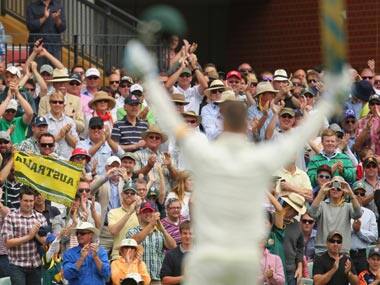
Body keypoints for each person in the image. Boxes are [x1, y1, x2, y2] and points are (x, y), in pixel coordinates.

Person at [127, 41, 348, 285]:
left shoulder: (205, 151)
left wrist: (147, 74)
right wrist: (331, 97)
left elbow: (169, 118)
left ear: (222, 122)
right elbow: (302, 133)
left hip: (209, 257)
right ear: (246, 126)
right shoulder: (259, 158)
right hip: (243, 259)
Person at [1, 186, 48, 285]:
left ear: (34, 200)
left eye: (31, 201)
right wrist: (29, 236)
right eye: (25, 200)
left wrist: (36, 235)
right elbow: (7, 243)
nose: (28, 204)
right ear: (20, 200)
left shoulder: (40, 217)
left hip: (35, 265)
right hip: (17, 266)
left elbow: (45, 241)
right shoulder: (11, 217)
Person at [308, 176, 362, 254]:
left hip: (342, 251)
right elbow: (311, 213)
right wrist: (321, 192)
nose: (335, 189)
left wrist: (351, 193)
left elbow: (358, 214)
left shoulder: (348, 206)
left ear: (343, 191)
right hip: (322, 251)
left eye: (339, 188)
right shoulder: (322, 205)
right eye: (333, 187)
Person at [127, 202, 176, 284]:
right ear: (140, 214)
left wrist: (163, 229)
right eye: (145, 211)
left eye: (150, 211)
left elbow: (173, 246)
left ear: (154, 213)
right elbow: (134, 242)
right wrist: (151, 224)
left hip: (157, 278)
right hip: (139, 278)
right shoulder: (132, 231)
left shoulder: (160, 232)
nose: (148, 214)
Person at [350, 181, 378, 274]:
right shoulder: (345, 210)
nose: (359, 196)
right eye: (356, 193)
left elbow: (374, 236)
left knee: (363, 281)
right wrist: (352, 229)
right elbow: (340, 232)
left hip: (363, 255)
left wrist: (359, 232)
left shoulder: (370, 214)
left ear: (364, 196)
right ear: (351, 195)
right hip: (347, 253)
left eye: (362, 194)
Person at [107, 182, 139, 260]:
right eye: (126, 192)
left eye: (132, 193)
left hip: (136, 257)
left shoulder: (141, 213)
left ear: (136, 196)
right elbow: (113, 231)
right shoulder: (113, 212)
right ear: (121, 194)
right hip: (118, 256)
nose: (129, 195)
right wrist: (129, 213)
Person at [45, 91, 79, 159]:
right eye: (54, 102)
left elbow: (75, 145)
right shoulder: (44, 120)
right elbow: (42, 144)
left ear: (64, 105)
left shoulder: (70, 121)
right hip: (49, 160)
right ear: (50, 103)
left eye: (60, 102)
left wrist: (67, 134)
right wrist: (59, 136)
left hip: (67, 160)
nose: (57, 104)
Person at [0, 79, 34, 144]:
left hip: (20, 152)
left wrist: (17, 94)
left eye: (13, 111)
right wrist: (9, 97)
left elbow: (30, 113)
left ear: (16, 112)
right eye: (7, 111)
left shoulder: (19, 121)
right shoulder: (1, 122)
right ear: (4, 110)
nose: (10, 113)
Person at [161, 220, 192, 285]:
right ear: (180, 234)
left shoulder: (201, 254)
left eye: (191, 233)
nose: (188, 236)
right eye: (185, 233)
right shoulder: (170, 255)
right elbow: (165, 280)